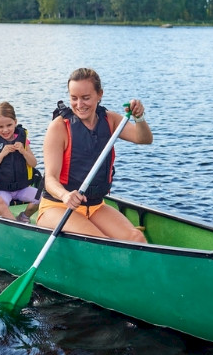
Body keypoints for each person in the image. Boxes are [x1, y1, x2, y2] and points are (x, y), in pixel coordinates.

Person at [36, 68, 152, 243]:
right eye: (74, 98)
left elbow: (143, 138)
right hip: (57, 206)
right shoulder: (59, 127)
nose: (79, 104)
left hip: (95, 206)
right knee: (101, 242)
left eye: (86, 97)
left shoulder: (110, 120)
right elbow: (50, 179)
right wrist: (65, 195)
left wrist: (139, 117)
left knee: (136, 238)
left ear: (100, 95)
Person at [0, 102, 41, 224]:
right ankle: (8, 222)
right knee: (0, 204)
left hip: (22, 187)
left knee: (41, 197)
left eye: (9, 125)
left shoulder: (23, 140)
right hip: (2, 189)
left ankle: (24, 216)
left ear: (15, 122)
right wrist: (2, 154)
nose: (5, 130)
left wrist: (23, 151)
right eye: (0, 127)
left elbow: (34, 163)